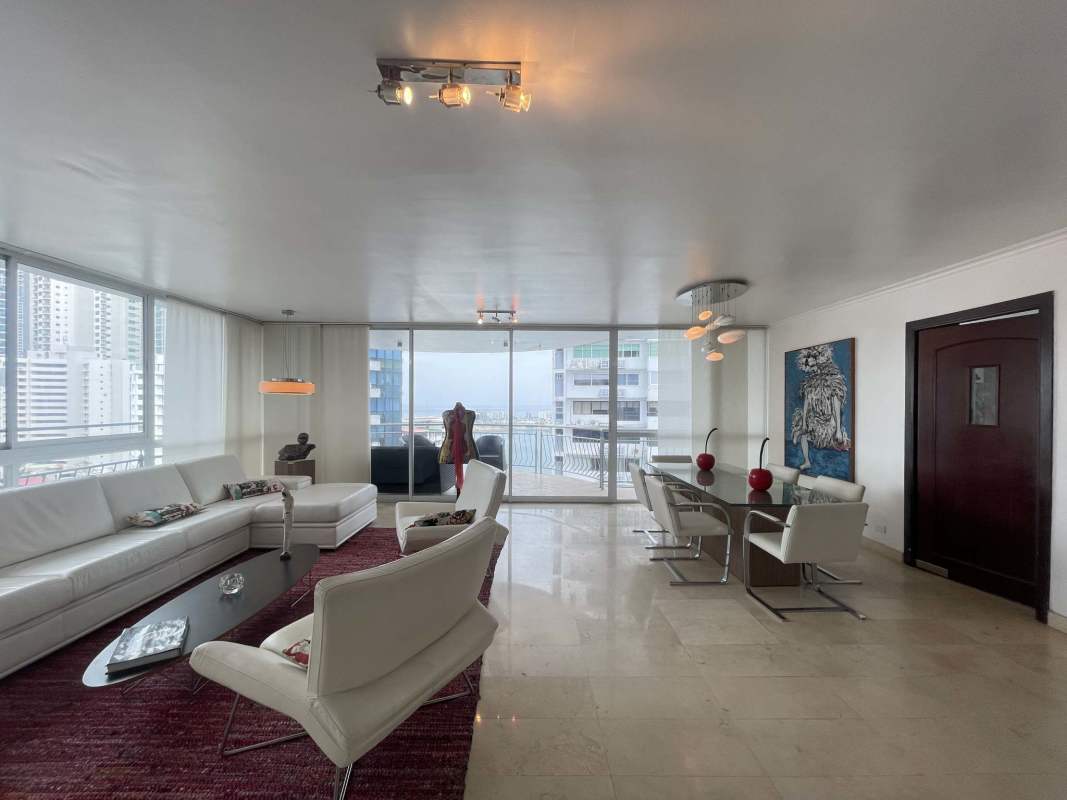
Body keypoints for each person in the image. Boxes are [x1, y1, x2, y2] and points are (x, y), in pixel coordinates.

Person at [790, 344, 850, 470]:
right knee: (803, 427)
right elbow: (806, 403)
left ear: (820, 360)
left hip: (829, 419)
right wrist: (804, 422)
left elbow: (836, 406)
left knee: (839, 443)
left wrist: (838, 429)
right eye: (808, 363)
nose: (810, 366)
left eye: (812, 362)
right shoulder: (809, 383)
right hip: (815, 418)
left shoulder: (833, 380)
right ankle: (807, 461)